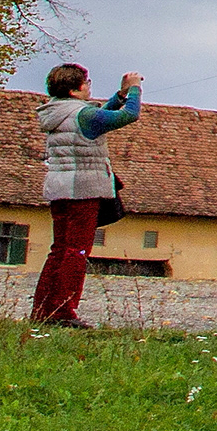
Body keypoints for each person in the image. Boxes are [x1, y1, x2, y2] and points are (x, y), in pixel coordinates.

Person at [29, 65, 144, 328]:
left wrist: (120, 94)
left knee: (59, 250)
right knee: (76, 252)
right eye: (86, 83)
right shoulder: (84, 115)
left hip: (60, 188)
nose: (89, 86)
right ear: (75, 89)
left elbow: (99, 116)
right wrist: (135, 89)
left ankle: (44, 308)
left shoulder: (58, 113)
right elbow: (129, 115)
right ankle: (62, 311)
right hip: (83, 189)